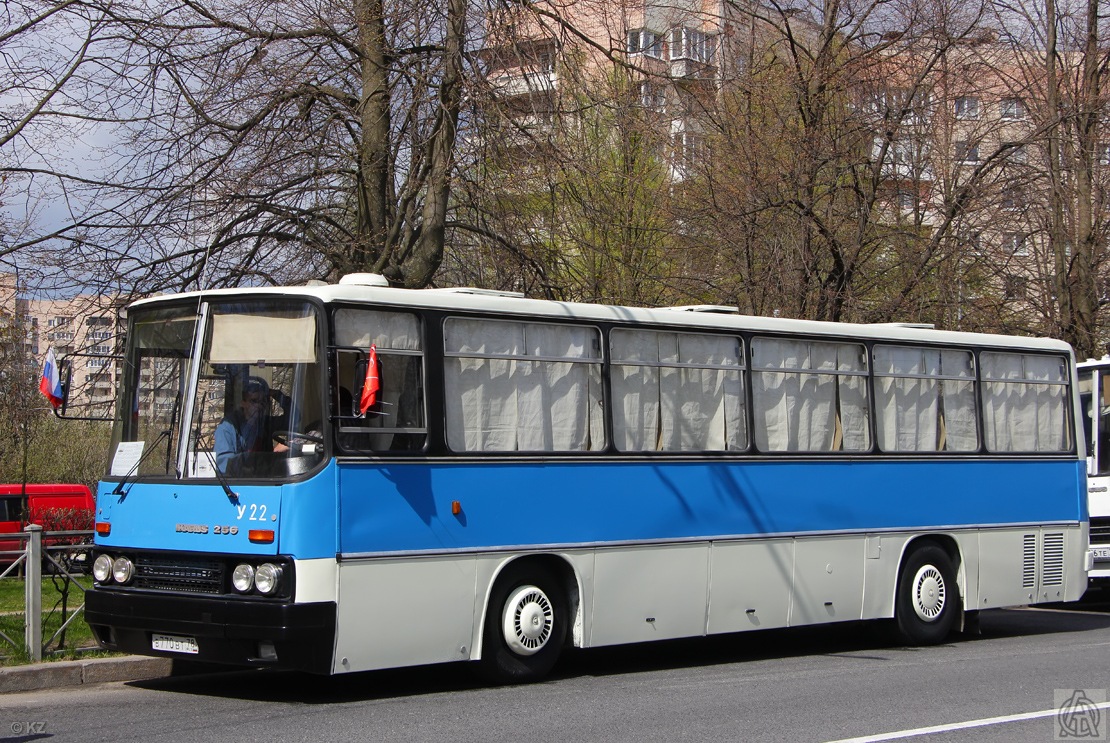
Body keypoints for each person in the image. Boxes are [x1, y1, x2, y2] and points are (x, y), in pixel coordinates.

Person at [214, 377, 289, 475]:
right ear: (243, 403)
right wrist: (248, 468)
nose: (259, 406)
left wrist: (277, 394)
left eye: (263, 402)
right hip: (242, 483)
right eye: (254, 401)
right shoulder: (228, 427)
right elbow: (224, 465)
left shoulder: (266, 423)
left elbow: (294, 417)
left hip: (267, 480)